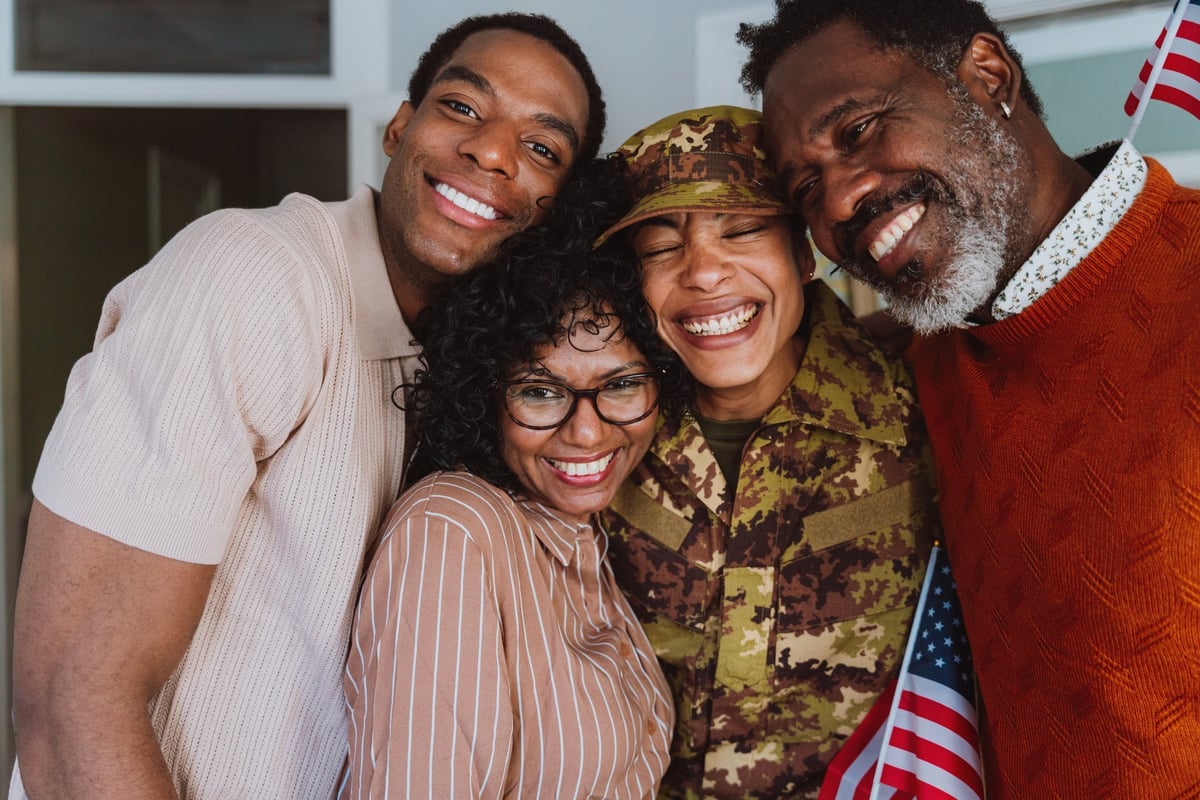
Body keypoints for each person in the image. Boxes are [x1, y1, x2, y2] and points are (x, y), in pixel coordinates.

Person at [9, 12, 605, 800]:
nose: (491, 152)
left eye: (541, 148)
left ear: (557, 205)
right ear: (400, 126)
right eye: (462, 106)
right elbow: (71, 695)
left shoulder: (482, 365)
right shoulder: (253, 278)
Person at [739, 1, 1200, 797]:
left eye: (859, 131)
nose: (841, 202)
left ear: (988, 76)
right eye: (805, 187)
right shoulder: (906, 364)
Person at [595, 106, 939, 799]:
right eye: (662, 247)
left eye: (744, 230)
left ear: (803, 253)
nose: (704, 273)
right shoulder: (597, 435)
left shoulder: (923, 405)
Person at [339, 159, 689, 799]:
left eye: (622, 384)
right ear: (482, 394)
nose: (586, 433)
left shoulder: (579, 536)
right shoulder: (452, 532)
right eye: (539, 391)